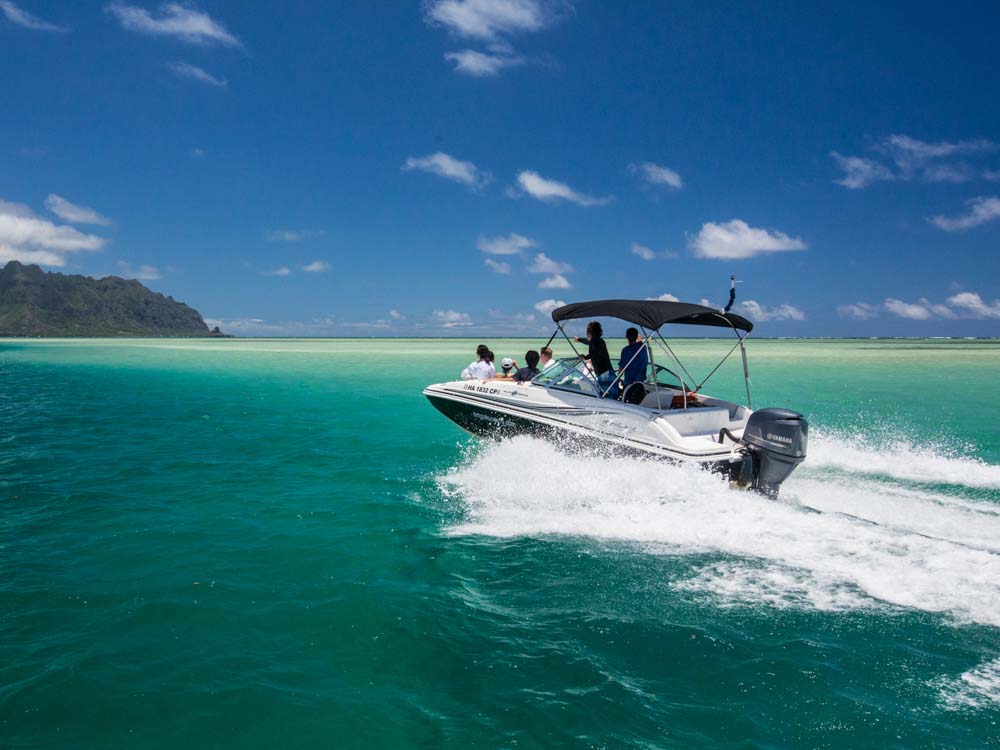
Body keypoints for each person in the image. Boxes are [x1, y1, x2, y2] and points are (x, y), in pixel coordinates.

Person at [574, 321, 617, 398]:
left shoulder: (596, 341)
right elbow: (589, 342)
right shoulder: (599, 341)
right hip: (606, 373)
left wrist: (585, 357)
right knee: (610, 398)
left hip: (605, 374)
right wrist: (579, 339)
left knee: (607, 399)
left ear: (589, 331)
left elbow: (596, 352)